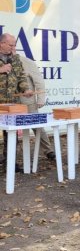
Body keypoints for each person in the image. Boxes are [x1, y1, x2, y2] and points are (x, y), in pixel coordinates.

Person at [12, 47, 55, 160]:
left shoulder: (27, 62)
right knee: (10, 128)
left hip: (27, 102)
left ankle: (48, 150)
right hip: (10, 103)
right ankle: (10, 154)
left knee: (37, 126)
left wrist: (41, 99)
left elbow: (39, 81)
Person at [0, 33, 33, 172]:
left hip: (12, 102)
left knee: (11, 133)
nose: (13, 48)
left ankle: (10, 162)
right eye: (11, 45)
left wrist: (25, 89)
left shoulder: (16, 58)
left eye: (14, 45)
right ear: (1, 43)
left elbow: (20, 76)